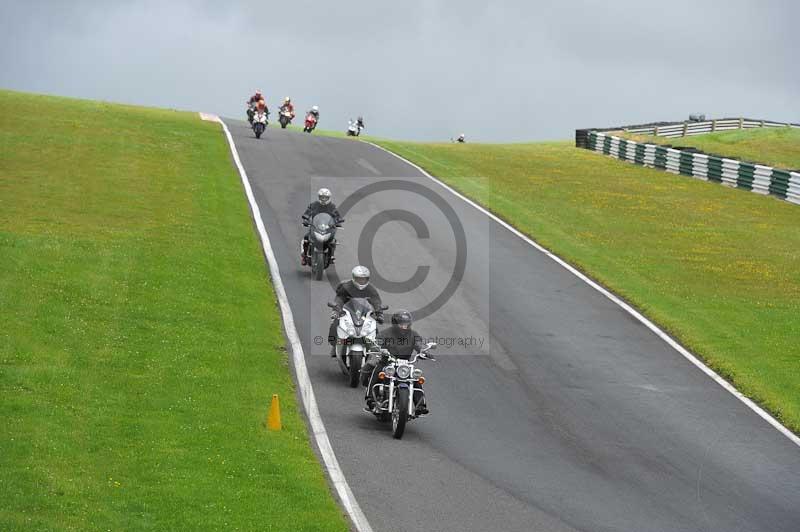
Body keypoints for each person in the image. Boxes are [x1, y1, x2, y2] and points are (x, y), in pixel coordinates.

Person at [364, 309, 429, 415]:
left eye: (406, 324)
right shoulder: (385, 333)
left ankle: (420, 405)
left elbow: (419, 344)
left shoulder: (413, 334)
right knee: (377, 371)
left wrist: (422, 351)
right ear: (395, 323)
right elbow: (377, 343)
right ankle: (370, 399)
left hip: (404, 364)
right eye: (401, 324)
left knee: (415, 378)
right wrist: (380, 349)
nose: (404, 326)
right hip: (387, 362)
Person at [328, 266, 384, 357]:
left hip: (364, 312)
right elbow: (339, 298)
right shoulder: (346, 287)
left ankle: (374, 346)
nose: (361, 281)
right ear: (354, 278)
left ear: (368, 279)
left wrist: (379, 312)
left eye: (364, 279)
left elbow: (376, 300)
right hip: (346, 311)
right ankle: (334, 345)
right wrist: (336, 309)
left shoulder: (370, 288)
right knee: (335, 323)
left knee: (373, 325)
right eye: (359, 279)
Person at [301, 188, 342, 265]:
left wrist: (338, 221)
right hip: (315, 226)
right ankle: (304, 256)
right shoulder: (313, 205)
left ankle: (331, 256)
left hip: (327, 228)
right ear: (319, 197)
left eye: (325, 197)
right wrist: (306, 219)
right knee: (306, 238)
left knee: (333, 241)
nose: (323, 199)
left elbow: (337, 215)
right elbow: (307, 212)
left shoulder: (332, 206)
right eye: (322, 197)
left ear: (329, 198)